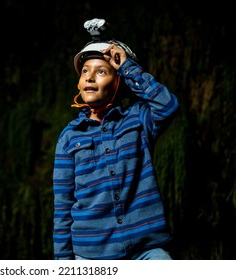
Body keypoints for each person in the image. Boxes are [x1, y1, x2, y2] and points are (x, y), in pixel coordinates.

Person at [53, 18, 179, 260]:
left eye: (101, 72)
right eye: (85, 72)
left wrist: (127, 67)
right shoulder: (69, 136)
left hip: (145, 252)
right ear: (79, 82)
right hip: (90, 256)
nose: (90, 78)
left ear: (118, 83)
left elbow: (168, 105)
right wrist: (63, 264)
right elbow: (62, 206)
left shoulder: (138, 119)